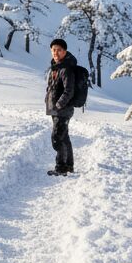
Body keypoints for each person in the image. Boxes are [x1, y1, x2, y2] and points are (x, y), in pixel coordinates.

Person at [45, 37, 76, 176]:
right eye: (53, 50)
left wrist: (58, 105)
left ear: (65, 51)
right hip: (57, 109)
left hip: (62, 110)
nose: (55, 53)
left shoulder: (65, 68)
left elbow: (69, 90)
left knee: (57, 139)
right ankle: (68, 165)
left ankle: (61, 167)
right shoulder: (56, 66)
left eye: (59, 50)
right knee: (64, 137)